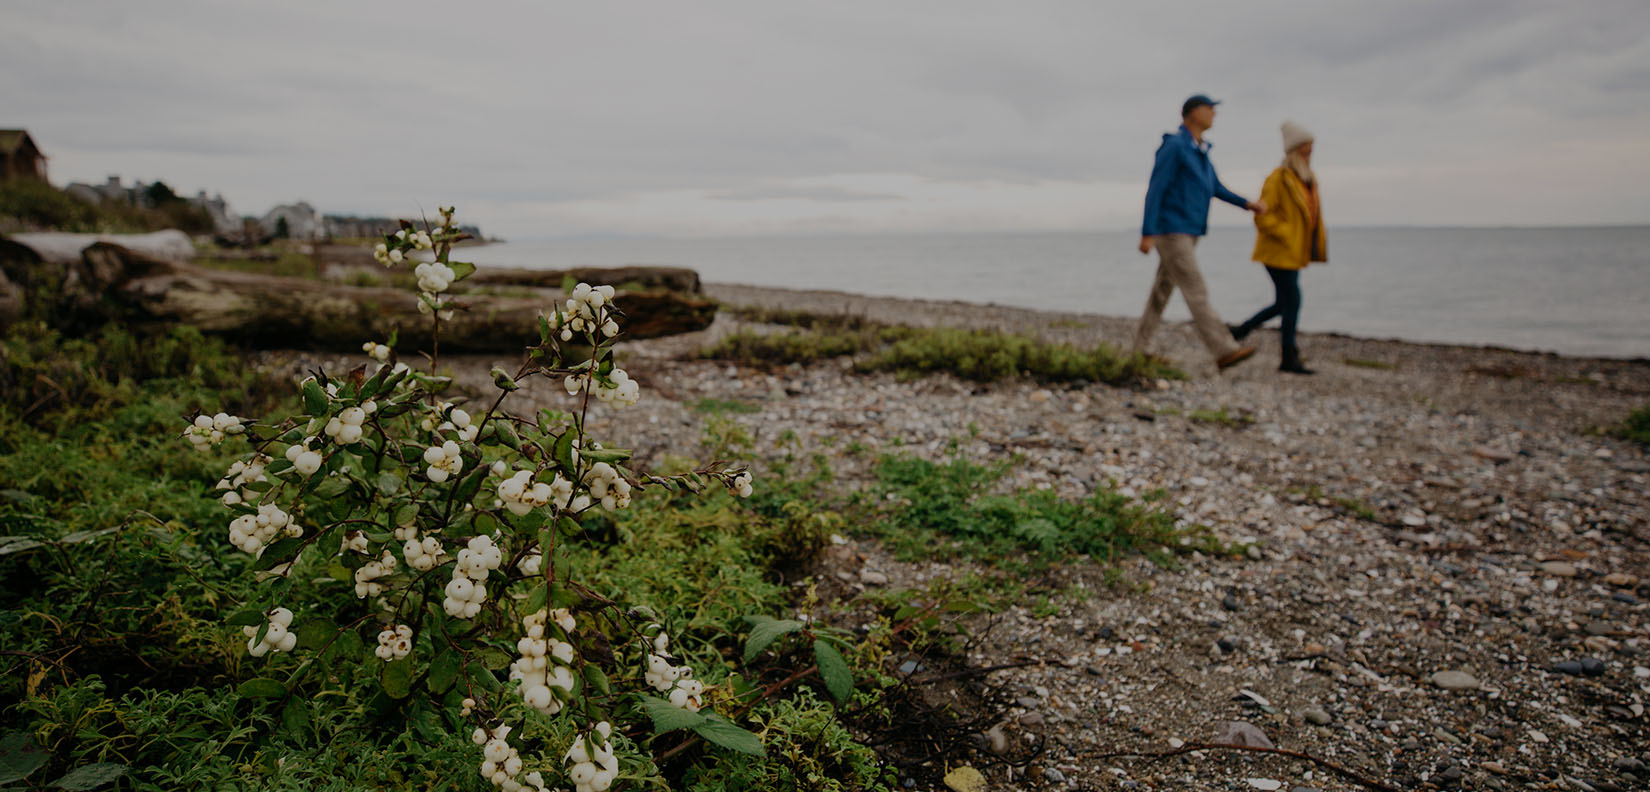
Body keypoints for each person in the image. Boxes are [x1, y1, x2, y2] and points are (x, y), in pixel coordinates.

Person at [1132, 94, 1267, 371]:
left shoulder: (1200, 150)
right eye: (1210, 109)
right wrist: (1148, 231)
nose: (1214, 114)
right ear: (1192, 113)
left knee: (1161, 292)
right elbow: (1156, 188)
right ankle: (1224, 349)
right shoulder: (1176, 146)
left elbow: (1215, 187)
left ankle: (1138, 350)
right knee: (1196, 289)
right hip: (1171, 230)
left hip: (1190, 230)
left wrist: (1247, 204)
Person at [1230, 120, 1327, 374]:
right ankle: (1288, 356)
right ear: (1294, 149)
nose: (1310, 151)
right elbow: (1262, 215)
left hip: (1294, 252)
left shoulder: (1306, 178)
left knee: (1284, 302)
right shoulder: (1279, 178)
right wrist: (1286, 232)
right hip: (1277, 251)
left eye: (1311, 146)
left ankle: (1240, 331)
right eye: (1305, 146)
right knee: (1292, 301)